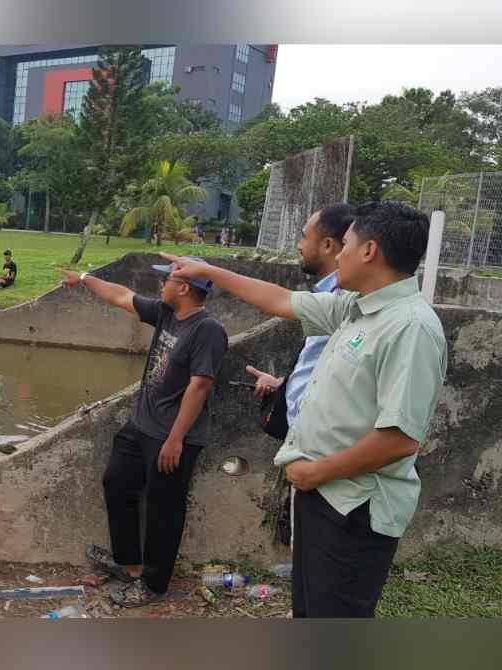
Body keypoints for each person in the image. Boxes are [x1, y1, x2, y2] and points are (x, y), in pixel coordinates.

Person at [164, 201, 448, 618]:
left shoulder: (410, 327)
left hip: (354, 506)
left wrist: (315, 472)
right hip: (323, 492)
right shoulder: (357, 307)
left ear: (369, 251)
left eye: (346, 244)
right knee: (311, 610)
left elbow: (401, 438)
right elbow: (283, 301)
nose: (339, 254)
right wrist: (210, 272)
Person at [60, 259, 228, 607]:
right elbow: (123, 297)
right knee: (116, 482)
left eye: (165, 280)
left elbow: (200, 385)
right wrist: (86, 279)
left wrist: (176, 438)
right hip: (141, 425)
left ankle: (154, 584)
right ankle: (131, 565)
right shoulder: (167, 313)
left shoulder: (207, 330)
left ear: (183, 288)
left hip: (173, 435)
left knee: (164, 510)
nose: (160, 285)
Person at [245, 204, 356, 424]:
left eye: (304, 237)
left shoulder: (346, 300)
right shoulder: (330, 293)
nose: (299, 245)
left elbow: (279, 301)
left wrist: (208, 271)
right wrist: (285, 384)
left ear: (327, 245)